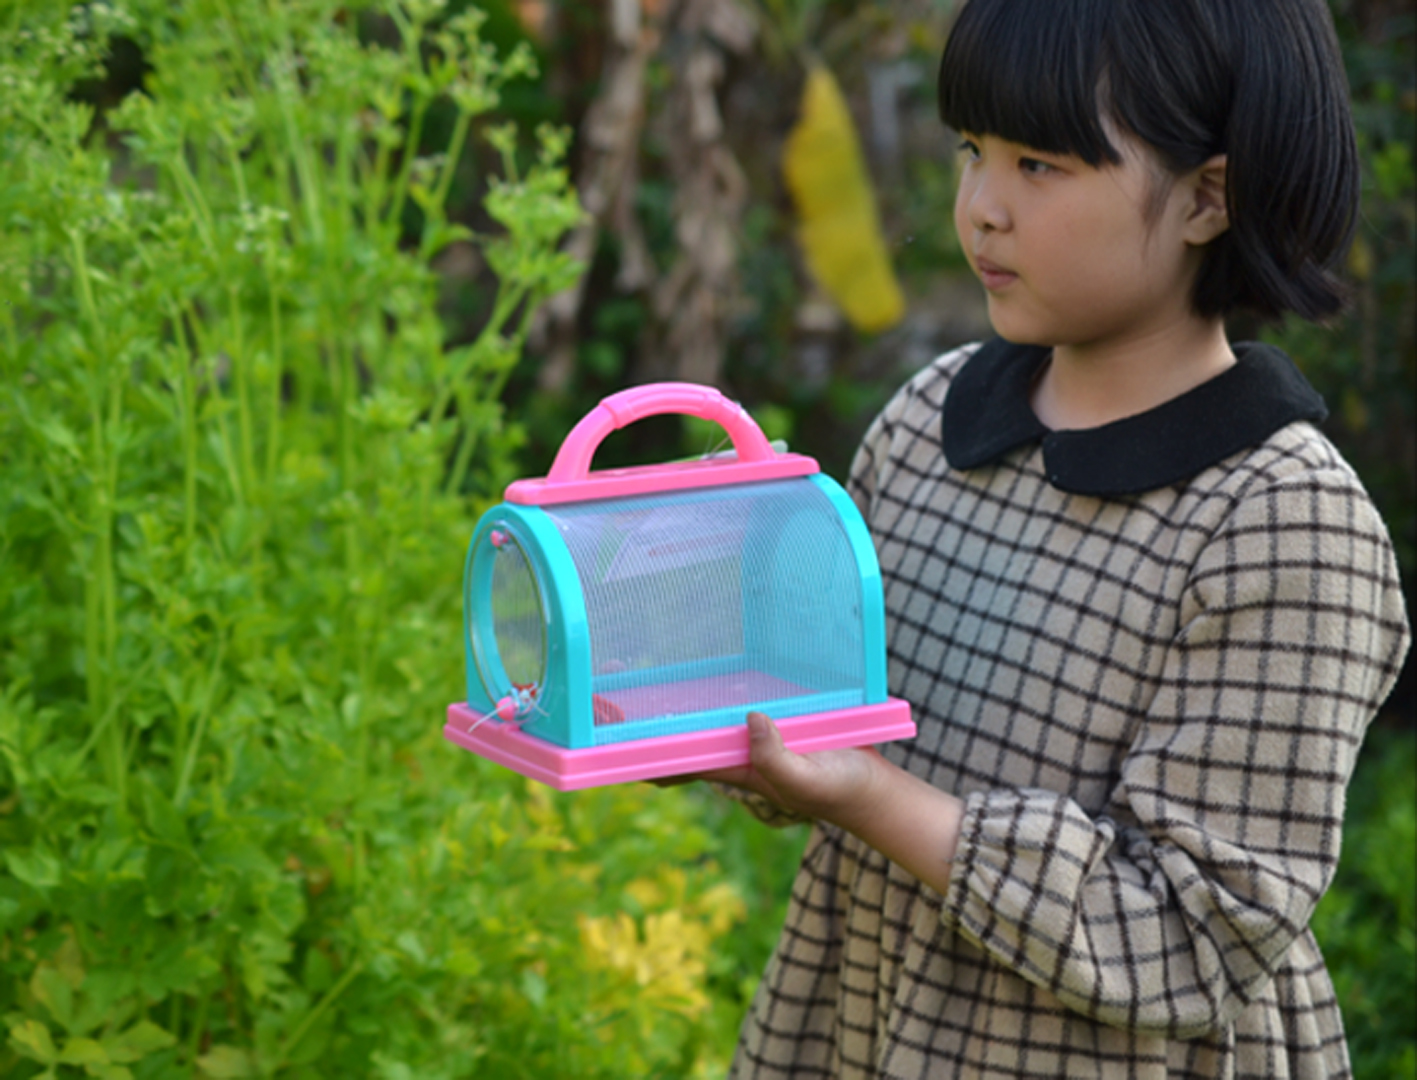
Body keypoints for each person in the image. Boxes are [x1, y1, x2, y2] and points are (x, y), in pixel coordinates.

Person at [694, 0, 1412, 1076]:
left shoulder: (1279, 521)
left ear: (1206, 198)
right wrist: (706, 692)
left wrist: (876, 800)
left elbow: (1191, 937)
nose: (979, 207)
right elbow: (832, 725)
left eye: (1038, 165)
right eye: (971, 151)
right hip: (871, 1026)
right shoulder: (930, 421)